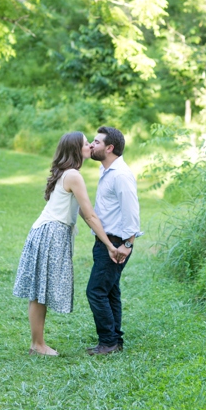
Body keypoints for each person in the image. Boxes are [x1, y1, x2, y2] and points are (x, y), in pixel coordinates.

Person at [13, 131, 119, 356]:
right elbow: (90, 215)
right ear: (75, 150)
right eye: (85, 144)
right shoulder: (73, 175)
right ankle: (38, 345)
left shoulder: (68, 173)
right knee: (39, 292)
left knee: (39, 292)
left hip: (46, 232)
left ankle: (37, 344)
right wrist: (110, 244)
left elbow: (80, 210)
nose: (90, 145)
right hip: (51, 233)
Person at [85, 125, 141, 355]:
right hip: (106, 240)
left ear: (110, 148)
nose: (91, 144)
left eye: (96, 142)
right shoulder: (106, 170)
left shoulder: (120, 175)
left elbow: (132, 212)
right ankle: (114, 340)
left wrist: (126, 245)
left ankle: (108, 342)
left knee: (96, 291)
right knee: (109, 291)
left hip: (116, 242)